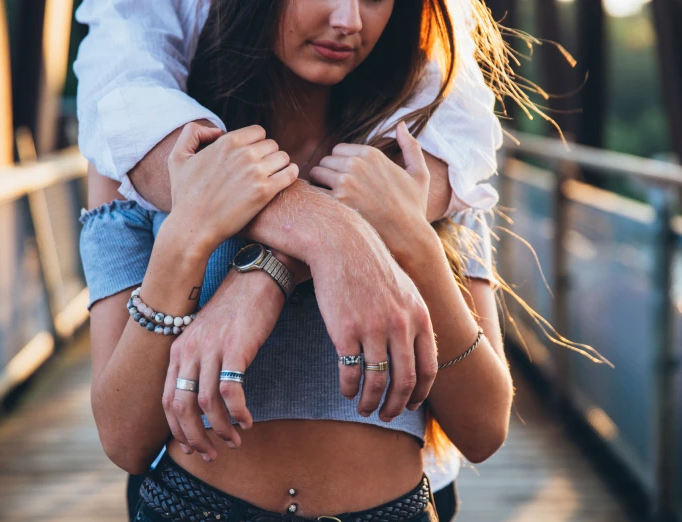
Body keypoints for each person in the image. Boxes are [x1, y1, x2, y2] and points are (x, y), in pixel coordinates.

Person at [75, 0, 513, 520]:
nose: (349, 20)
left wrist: (407, 239)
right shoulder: (146, 163)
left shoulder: (432, 167)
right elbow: (124, 439)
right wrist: (192, 235)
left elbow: (484, 430)